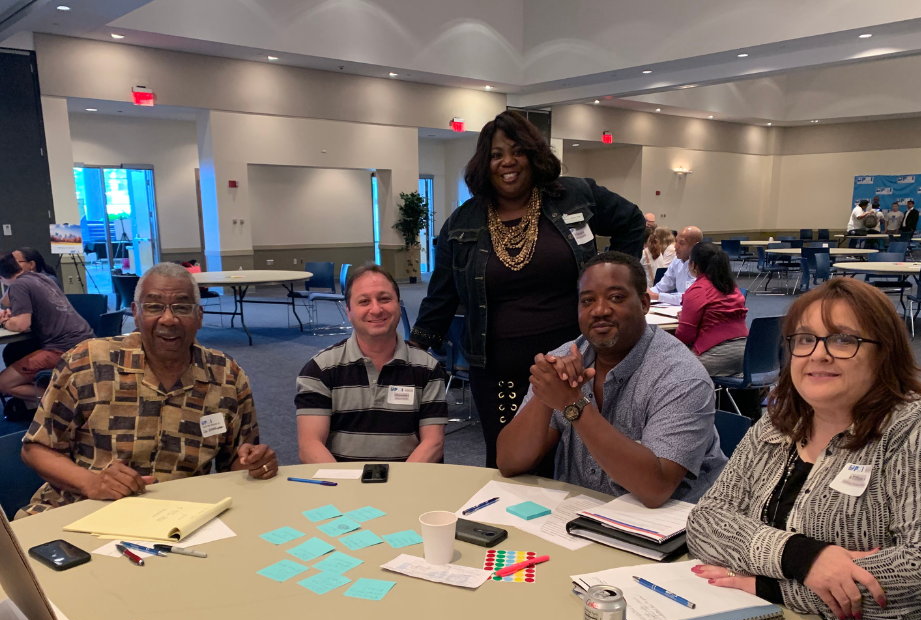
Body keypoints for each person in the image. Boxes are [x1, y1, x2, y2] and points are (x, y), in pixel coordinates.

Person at [684, 277, 921, 620]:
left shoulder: (917, 427)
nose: (818, 354)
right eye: (805, 339)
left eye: (843, 339)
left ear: (884, 351)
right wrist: (802, 557)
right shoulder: (776, 426)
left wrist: (768, 587)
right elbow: (706, 523)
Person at [409, 110, 645, 470]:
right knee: (511, 468)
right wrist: (412, 350)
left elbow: (632, 221)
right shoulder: (461, 223)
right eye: (496, 154)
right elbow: (441, 297)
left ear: (534, 155)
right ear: (484, 163)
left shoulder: (575, 196)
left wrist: (613, 285)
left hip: (574, 366)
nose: (508, 162)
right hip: (497, 373)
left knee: (581, 464)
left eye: (517, 151)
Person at [20, 262, 277, 515]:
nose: (168, 319)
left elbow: (235, 463)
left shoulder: (226, 377)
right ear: (135, 312)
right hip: (79, 507)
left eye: (182, 308)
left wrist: (255, 463)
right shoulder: (88, 362)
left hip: (178, 516)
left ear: (199, 316)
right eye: (154, 307)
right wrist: (91, 482)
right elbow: (35, 448)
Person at [496, 251, 726, 504]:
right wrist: (546, 395)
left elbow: (656, 489)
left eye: (616, 297)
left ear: (644, 303)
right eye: (587, 300)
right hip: (582, 514)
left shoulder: (681, 377)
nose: (599, 310)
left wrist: (573, 403)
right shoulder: (564, 359)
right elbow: (509, 462)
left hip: (672, 520)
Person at [296, 265, 447, 464]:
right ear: (348, 311)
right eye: (364, 301)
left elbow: (433, 443)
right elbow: (310, 446)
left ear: (398, 305)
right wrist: (345, 484)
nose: (376, 309)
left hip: (408, 480)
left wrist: (400, 482)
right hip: (340, 482)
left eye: (384, 299)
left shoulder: (428, 367)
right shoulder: (319, 369)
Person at [0, 252, 94, 410]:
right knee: (14, 351)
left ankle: (66, 402)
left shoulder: (19, 285)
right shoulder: (40, 277)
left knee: (3, 383)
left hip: (63, 348)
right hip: (85, 341)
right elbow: (6, 302)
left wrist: (4, 322)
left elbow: (22, 325)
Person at [675, 243, 747, 376]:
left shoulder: (698, 289)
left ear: (694, 265)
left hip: (717, 355)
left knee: (668, 369)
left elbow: (684, 336)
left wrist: (684, 320)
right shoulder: (731, 286)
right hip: (746, 354)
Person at [648, 225, 702, 305]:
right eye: (676, 241)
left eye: (681, 243)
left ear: (696, 246)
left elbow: (691, 296)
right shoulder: (677, 261)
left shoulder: (703, 264)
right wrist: (646, 294)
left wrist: (658, 296)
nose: (676, 247)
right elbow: (661, 287)